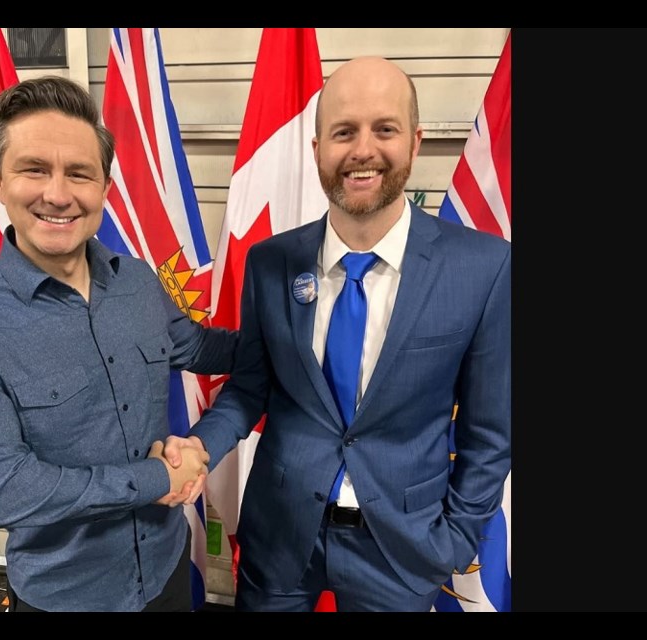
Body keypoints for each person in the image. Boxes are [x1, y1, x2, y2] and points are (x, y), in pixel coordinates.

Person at [165, 56, 511, 611]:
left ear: (415, 142)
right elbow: (250, 386)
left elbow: (489, 433)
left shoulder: (483, 269)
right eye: (343, 132)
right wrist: (200, 444)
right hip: (279, 535)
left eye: (385, 129)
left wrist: (454, 539)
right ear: (317, 148)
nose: (362, 150)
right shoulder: (270, 262)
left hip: (403, 548)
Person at [0, 76, 238, 612]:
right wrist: (155, 477)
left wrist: (305, 319)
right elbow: (0, 490)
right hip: (65, 598)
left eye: (79, 174)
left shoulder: (139, 282)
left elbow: (203, 350)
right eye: (34, 169)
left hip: (167, 576)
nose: (59, 194)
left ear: (105, 188)